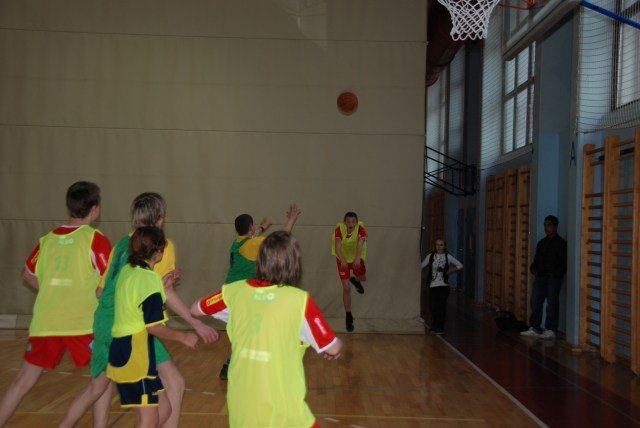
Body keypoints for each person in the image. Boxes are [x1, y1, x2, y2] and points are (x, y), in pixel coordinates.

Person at [61, 192, 218, 428]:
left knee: (99, 386)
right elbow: (163, 293)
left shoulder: (122, 244)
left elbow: (100, 292)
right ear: (161, 217)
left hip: (104, 323)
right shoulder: (160, 246)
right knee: (173, 385)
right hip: (134, 329)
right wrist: (194, 324)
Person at [191, 231, 343, 428]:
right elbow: (332, 347)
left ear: (260, 261)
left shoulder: (233, 292)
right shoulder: (299, 301)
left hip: (241, 405)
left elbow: (196, 309)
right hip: (281, 410)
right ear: (294, 265)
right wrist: (337, 347)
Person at [0, 181, 112, 427]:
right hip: (82, 323)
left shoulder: (47, 240)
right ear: (95, 209)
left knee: (22, 382)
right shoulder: (95, 239)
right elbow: (108, 281)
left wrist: (54, 291)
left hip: (46, 321)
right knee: (103, 378)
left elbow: (26, 274)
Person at [107, 226, 199, 427]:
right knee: (148, 419)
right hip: (133, 353)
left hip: (129, 350)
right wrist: (184, 337)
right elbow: (154, 327)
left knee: (164, 410)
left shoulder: (129, 270)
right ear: (158, 251)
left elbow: (139, 295)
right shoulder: (148, 279)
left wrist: (161, 285)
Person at [217, 204, 302, 379]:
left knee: (249, 330)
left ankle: (237, 364)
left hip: (231, 292)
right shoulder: (252, 244)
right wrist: (291, 219)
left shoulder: (238, 242)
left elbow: (252, 236)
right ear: (251, 227)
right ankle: (233, 366)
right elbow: (280, 239)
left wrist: (262, 227)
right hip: (240, 294)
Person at [521, 215, 567, 340]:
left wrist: (555, 273)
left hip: (553, 278)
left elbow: (563, 263)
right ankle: (535, 327)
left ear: (555, 227)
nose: (546, 228)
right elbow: (536, 260)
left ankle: (551, 329)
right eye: (545, 225)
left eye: (549, 225)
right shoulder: (542, 243)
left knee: (552, 303)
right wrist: (533, 268)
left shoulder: (561, 244)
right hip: (540, 277)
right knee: (535, 301)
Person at [331, 211, 368, 332]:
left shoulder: (360, 228)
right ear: (344, 222)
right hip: (342, 257)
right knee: (346, 288)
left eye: (353, 222)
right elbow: (337, 246)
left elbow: (360, 244)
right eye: (348, 222)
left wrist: (357, 258)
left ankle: (356, 280)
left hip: (356, 256)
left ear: (356, 222)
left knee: (363, 278)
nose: (351, 224)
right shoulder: (339, 229)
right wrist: (343, 260)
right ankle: (348, 315)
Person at [420, 238, 463, 334]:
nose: (439, 247)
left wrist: (450, 271)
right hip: (433, 286)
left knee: (440, 306)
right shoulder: (430, 256)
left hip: (444, 286)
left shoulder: (448, 256)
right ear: (435, 246)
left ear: (444, 246)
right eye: (437, 245)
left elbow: (460, 265)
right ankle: (435, 324)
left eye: (441, 245)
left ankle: (439, 327)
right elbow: (421, 266)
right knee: (432, 307)